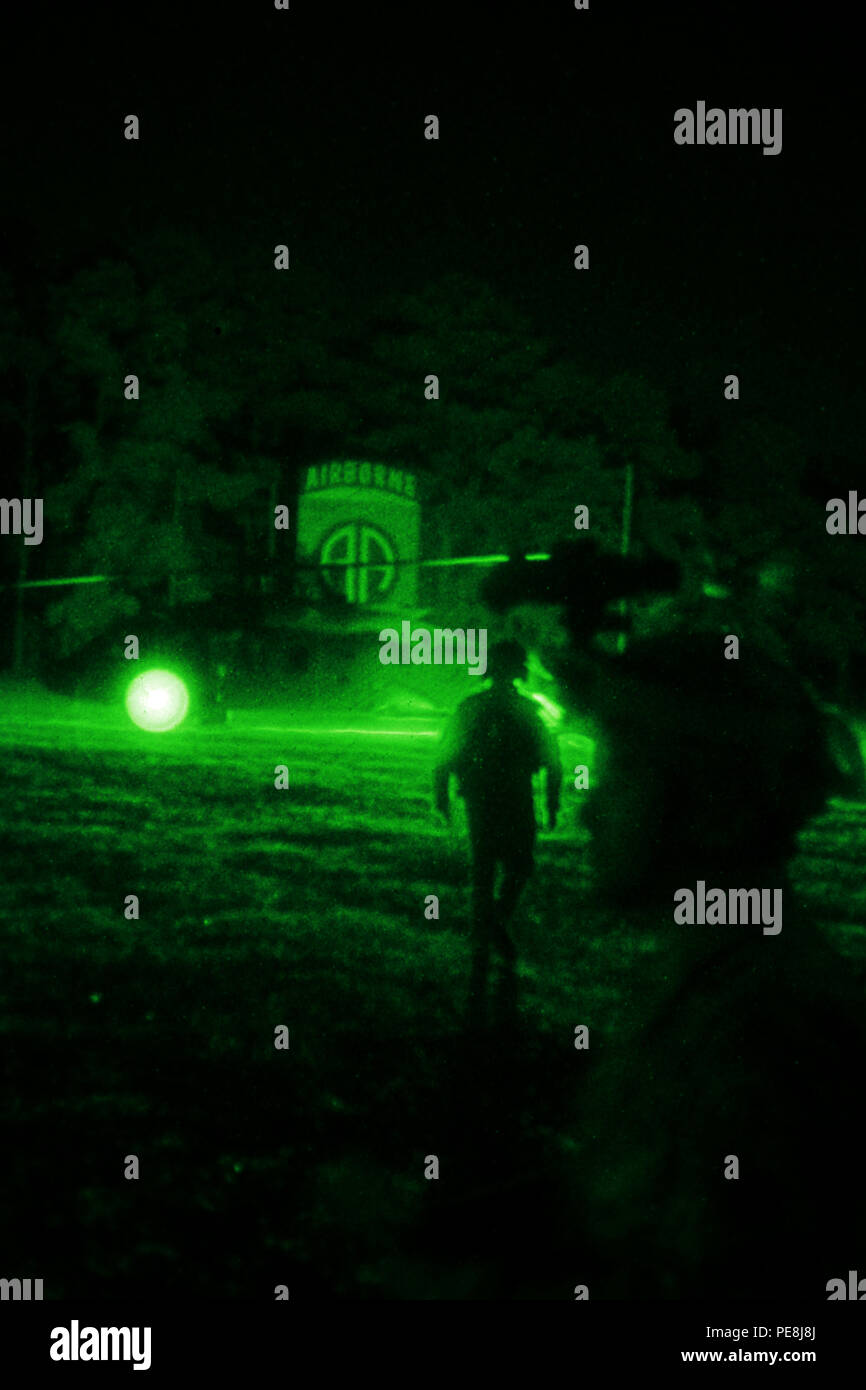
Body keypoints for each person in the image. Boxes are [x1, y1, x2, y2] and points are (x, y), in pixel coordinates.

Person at [433, 639, 561, 1016]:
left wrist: (441, 794)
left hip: (480, 799)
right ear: (519, 671)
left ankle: (487, 932)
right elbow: (552, 762)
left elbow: (445, 754)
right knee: (518, 867)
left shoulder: (472, 708)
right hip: (514, 798)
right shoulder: (527, 710)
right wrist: (552, 803)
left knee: (485, 870)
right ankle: (494, 927)